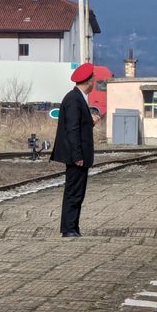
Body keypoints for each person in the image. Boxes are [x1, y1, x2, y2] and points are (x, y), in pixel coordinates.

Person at [50, 63, 101, 237]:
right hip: (76, 157)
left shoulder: (78, 98)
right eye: (94, 79)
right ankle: (68, 228)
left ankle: (73, 227)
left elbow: (79, 126)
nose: (94, 83)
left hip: (78, 156)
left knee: (78, 192)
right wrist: (77, 155)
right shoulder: (74, 99)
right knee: (74, 192)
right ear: (88, 81)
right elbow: (72, 129)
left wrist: (90, 122)